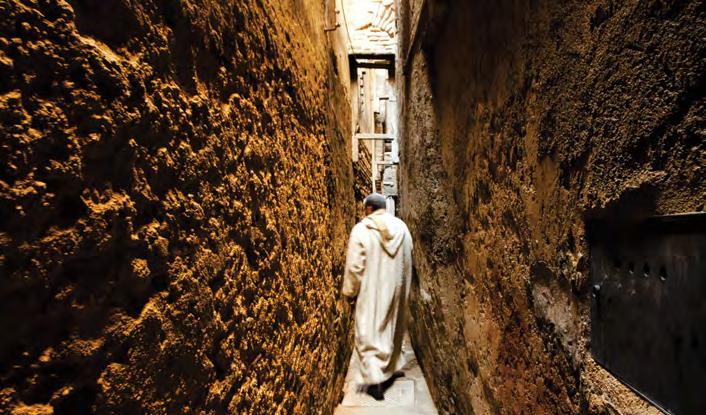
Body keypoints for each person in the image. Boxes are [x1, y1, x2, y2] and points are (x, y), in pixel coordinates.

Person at [342, 193, 413, 401]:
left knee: (369, 333)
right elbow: (409, 256)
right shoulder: (402, 228)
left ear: (369, 209)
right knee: (392, 331)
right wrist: (403, 288)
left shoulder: (361, 230)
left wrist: (350, 291)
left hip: (371, 292)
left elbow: (355, 266)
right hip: (397, 291)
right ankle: (388, 370)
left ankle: (375, 381)